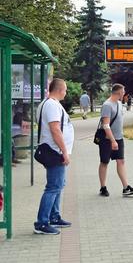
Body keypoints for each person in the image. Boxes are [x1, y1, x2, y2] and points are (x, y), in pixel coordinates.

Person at [34, 78, 74, 235]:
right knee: (53, 187)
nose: (66, 92)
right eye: (65, 89)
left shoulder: (49, 103)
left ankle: (54, 217)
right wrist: (64, 151)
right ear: (59, 89)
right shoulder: (51, 105)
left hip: (54, 150)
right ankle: (42, 223)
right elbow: (55, 129)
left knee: (59, 184)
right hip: (54, 151)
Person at [98, 83, 133, 197]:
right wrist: (112, 140)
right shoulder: (107, 105)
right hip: (107, 139)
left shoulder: (119, 104)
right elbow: (106, 125)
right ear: (119, 92)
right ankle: (103, 187)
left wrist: (118, 138)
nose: (124, 93)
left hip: (119, 138)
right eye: (123, 92)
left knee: (121, 161)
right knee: (104, 162)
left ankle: (126, 187)